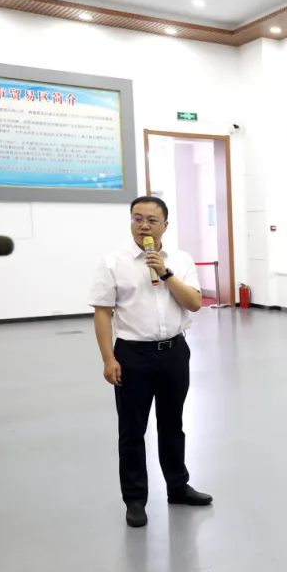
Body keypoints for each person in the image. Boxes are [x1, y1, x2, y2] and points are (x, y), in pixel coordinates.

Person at [88, 196, 211, 528]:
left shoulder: (181, 260)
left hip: (174, 353)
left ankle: (178, 487)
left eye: (151, 220)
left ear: (165, 226)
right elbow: (102, 312)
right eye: (137, 218)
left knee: (172, 424)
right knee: (132, 431)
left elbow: (194, 303)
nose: (143, 226)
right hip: (132, 355)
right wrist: (108, 358)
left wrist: (165, 273)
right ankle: (135, 499)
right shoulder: (113, 262)